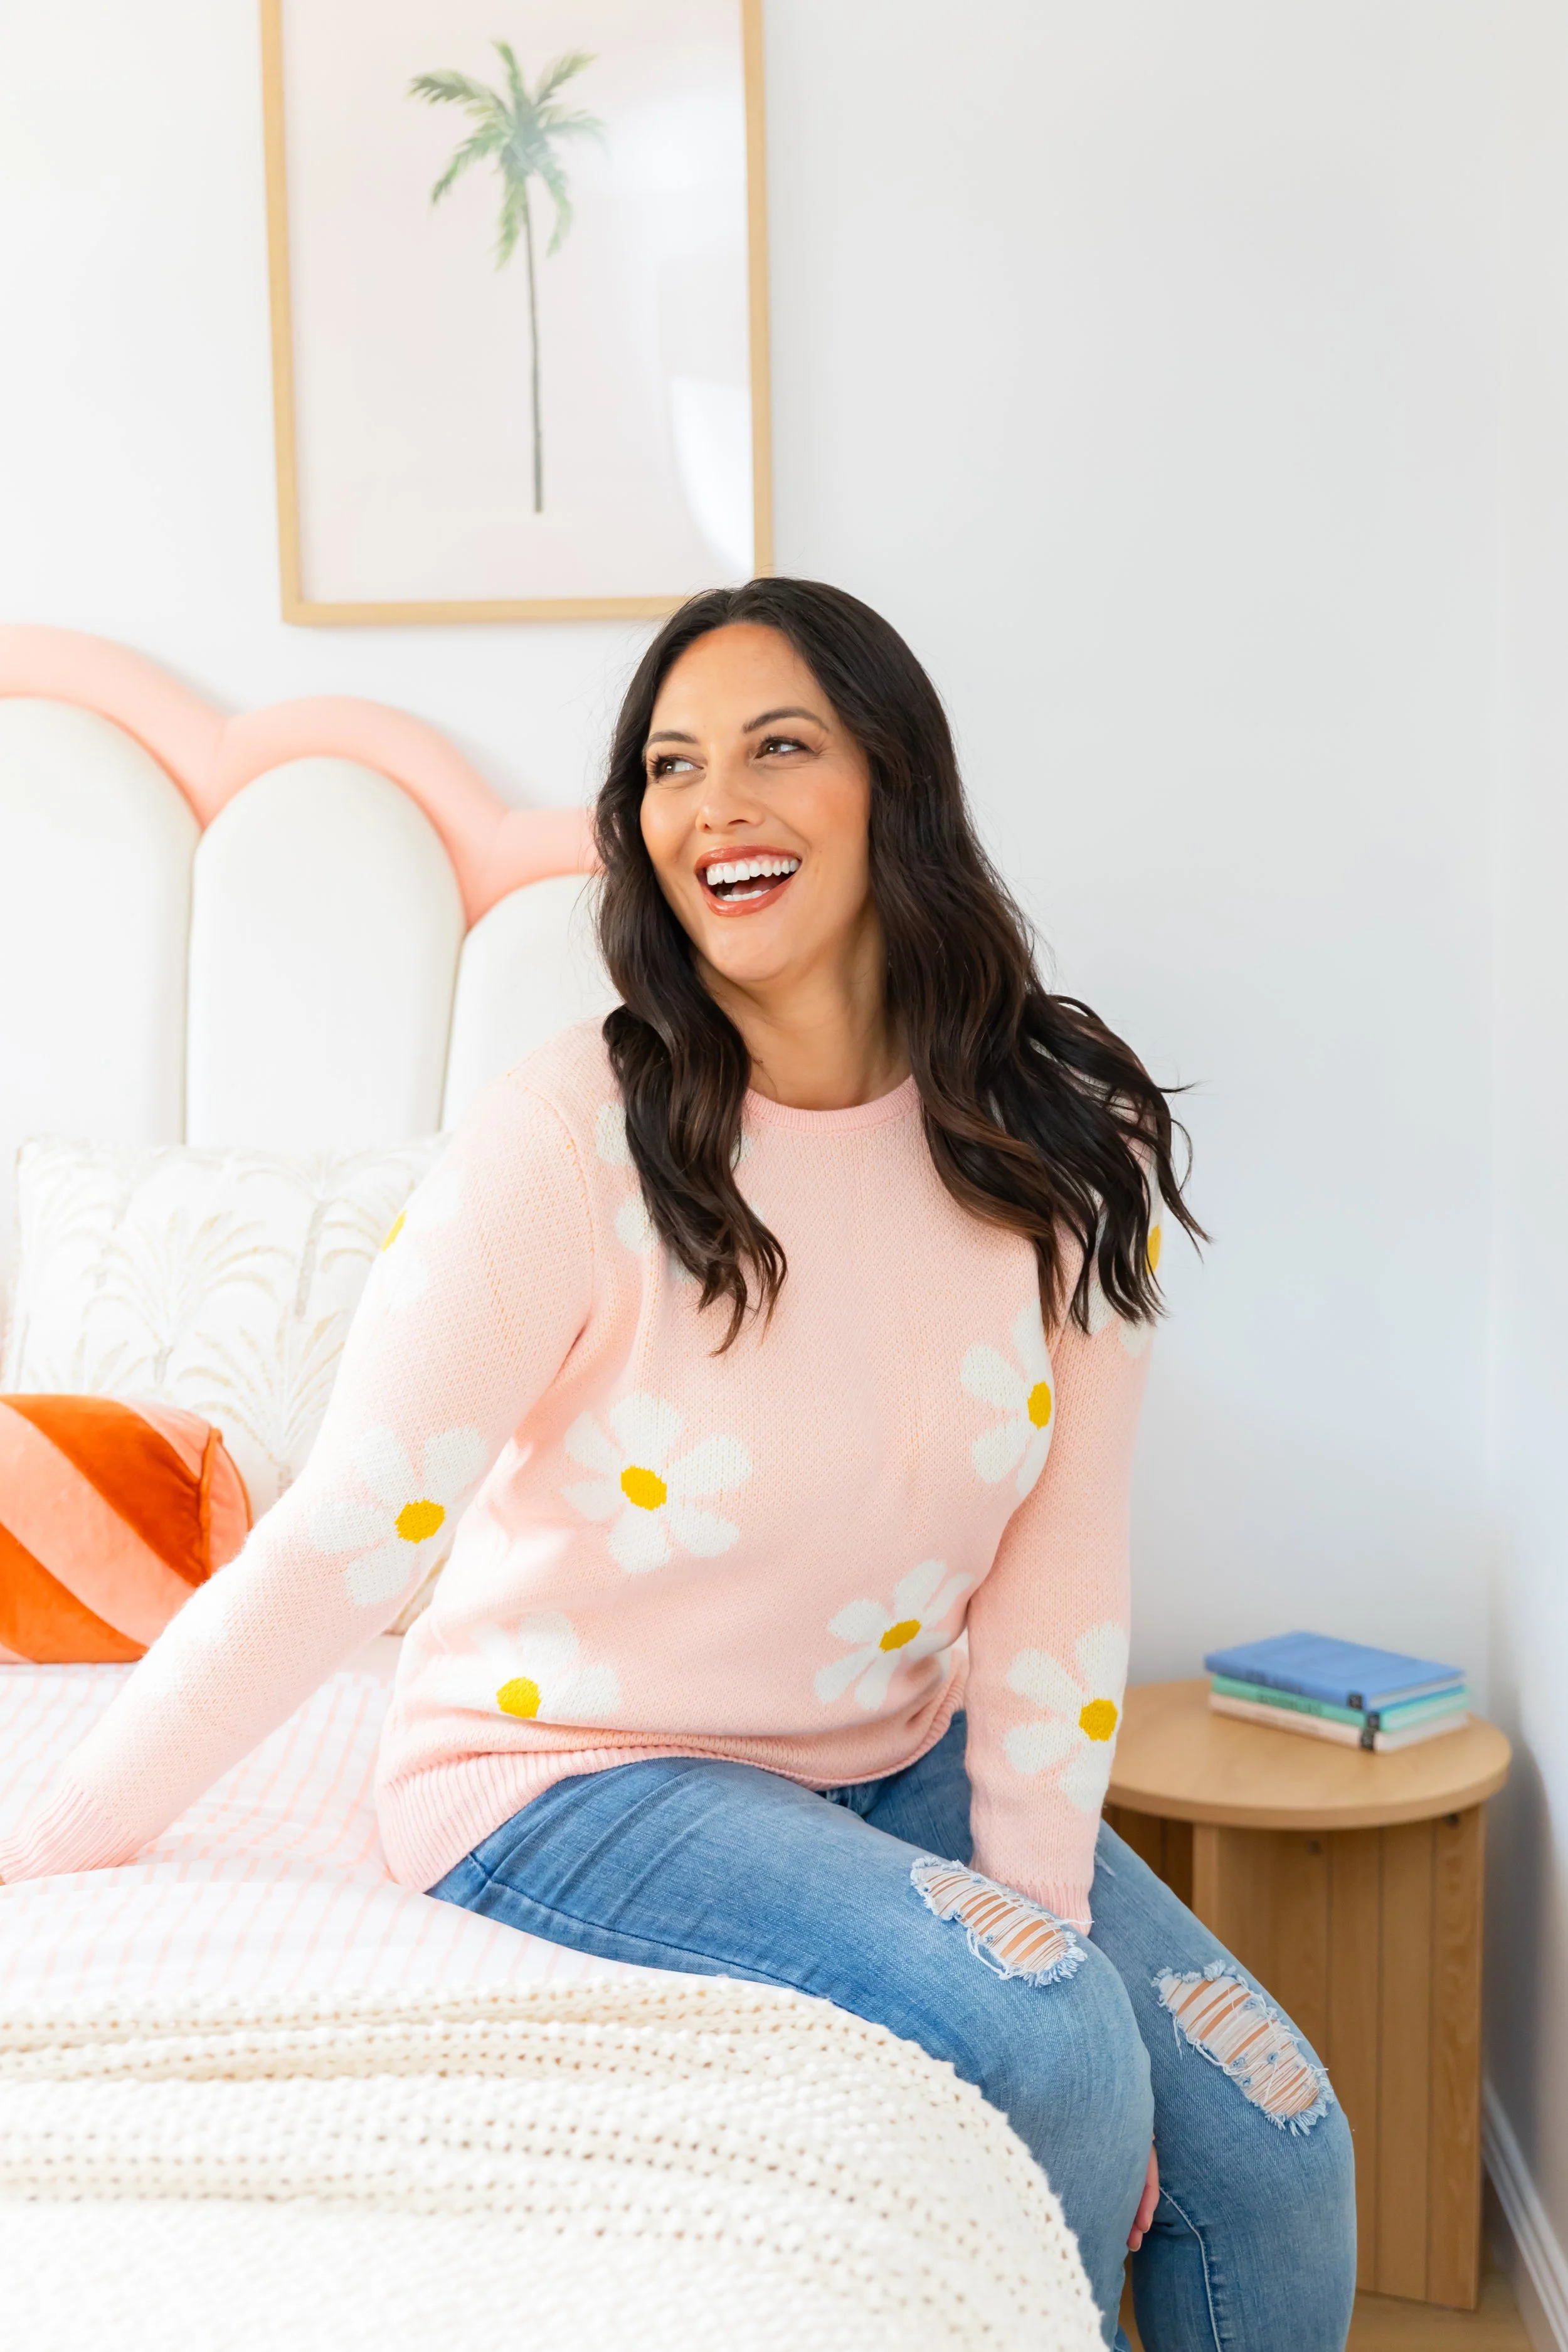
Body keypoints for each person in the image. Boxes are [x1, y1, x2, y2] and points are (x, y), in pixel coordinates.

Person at [0, 579, 1355, 2348]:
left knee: (1275, 2133)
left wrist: (1036, 1913)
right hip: (574, 1768)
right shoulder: (572, 1131)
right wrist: (50, 1839)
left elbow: (1060, 1568)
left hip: (890, 1749)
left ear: (893, 782)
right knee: (1047, 2036)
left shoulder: (1061, 1136)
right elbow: (348, 1537)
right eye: (670, 765)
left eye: (778, 746)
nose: (716, 803)